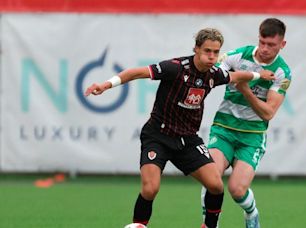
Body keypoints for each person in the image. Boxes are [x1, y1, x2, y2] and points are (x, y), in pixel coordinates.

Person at [84, 28, 275, 228]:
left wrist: (258, 74)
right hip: (158, 136)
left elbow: (235, 76)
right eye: (207, 51)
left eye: (216, 52)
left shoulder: (214, 74)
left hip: (187, 139)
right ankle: (139, 225)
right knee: (150, 189)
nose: (211, 56)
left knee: (216, 185)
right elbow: (136, 72)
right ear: (196, 49)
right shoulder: (175, 68)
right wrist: (106, 85)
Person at [200, 18, 292, 228]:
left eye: (271, 45)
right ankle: (209, 223)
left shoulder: (282, 73)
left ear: (282, 45)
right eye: (262, 42)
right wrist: (246, 76)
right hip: (224, 129)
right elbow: (214, 74)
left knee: (237, 190)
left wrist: (245, 89)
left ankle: (251, 213)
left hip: (251, 136)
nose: (265, 49)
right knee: (210, 176)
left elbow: (268, 113)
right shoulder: (238, 55)